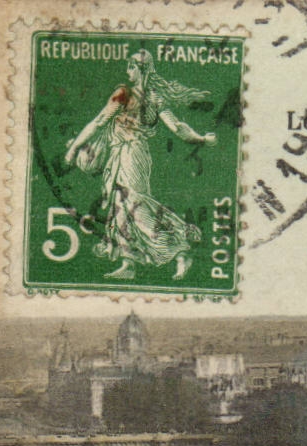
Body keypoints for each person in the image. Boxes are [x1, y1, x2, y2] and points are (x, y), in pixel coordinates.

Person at [62, 50, 218, 280]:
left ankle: (180, 249)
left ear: (140, 68)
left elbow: (99, 122)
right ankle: (129, 263)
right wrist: (202, 138)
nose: (127, 71)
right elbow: (178, 128)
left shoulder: (126, 94)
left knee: (135, 205)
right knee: (120, 206)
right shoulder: (153, 98)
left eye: (131, 66)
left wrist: (74, 148)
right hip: (127, 155)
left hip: (131, 155)